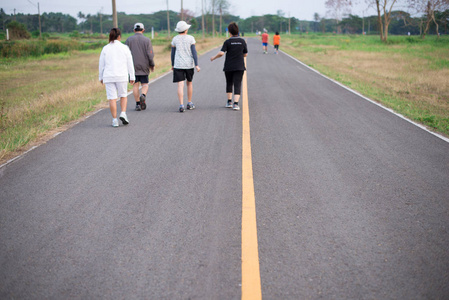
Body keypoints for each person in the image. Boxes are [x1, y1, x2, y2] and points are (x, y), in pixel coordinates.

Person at [99, 28, 135, 127]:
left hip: (108, 76)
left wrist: (100, 77)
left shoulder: (105, 48)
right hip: (122, 76)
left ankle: (114, 120)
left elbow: (101, 64)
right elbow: (130, 63)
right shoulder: (124, 48)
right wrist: (132, 76)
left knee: (112, 98)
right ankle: (123, 113)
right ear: (119, 36)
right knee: (123, 95)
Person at [210, 22, 248, 111]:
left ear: (230, 32)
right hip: (239, 66)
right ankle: (236, 104)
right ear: (237, 31)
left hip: (229, 66)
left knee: (229, 83)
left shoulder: (227, 42)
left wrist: (213, 57)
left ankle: (229, 102)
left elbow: (221, 53)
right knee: (238, 84)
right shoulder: (242, 41)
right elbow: (245, 54)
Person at [171, 21, 201, 113]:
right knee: (189, 83)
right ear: (186, 29)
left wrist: (172, 64)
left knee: (180, 84)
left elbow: (173, 53)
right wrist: (196, 64)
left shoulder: (175, 39)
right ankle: (189, 102)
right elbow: (194, 52)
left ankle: (181, 105)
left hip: (178, 64)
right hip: (189, 64)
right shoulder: (191, 38)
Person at [125, 23, 155, 111]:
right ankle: (143, 95)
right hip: (144, 65)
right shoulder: (147, 40)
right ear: (143, 30)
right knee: (145, 84)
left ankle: (138, 104)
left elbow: (125, 54)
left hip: (132, 66)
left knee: (135, 84)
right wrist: (152, 64)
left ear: (134, 30)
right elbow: (150, 54)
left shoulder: (129, 40)